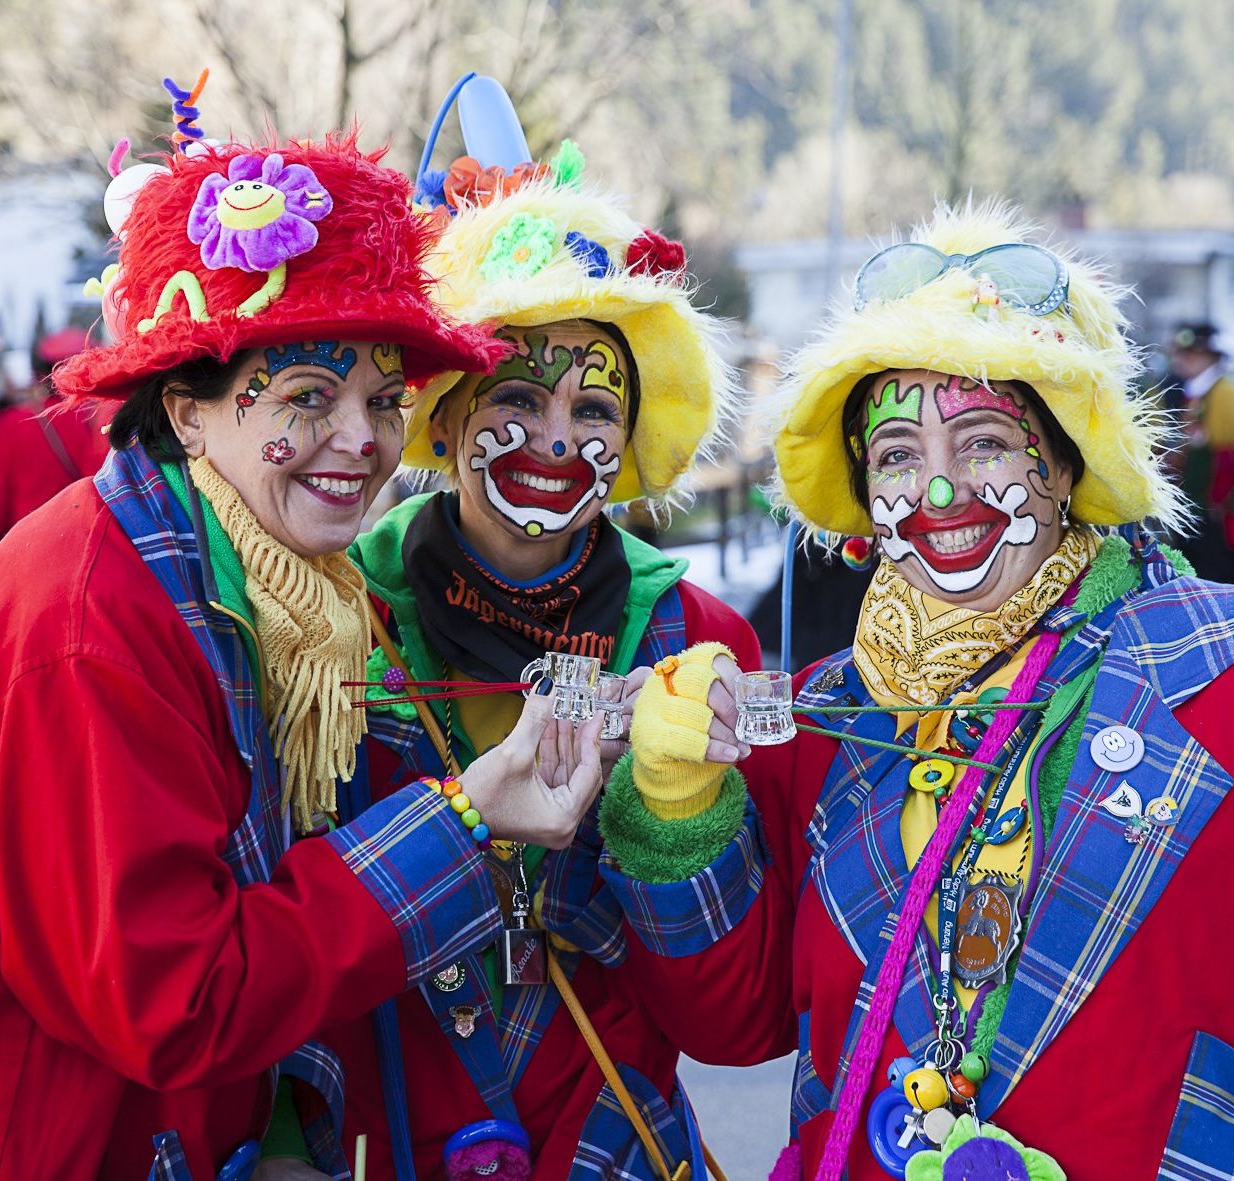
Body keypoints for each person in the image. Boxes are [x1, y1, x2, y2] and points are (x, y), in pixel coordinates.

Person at [0, 115, 609, 1180]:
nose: (362, 437)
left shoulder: (268, 585)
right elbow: (177, 998)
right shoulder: (91, 631)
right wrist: (460, 820)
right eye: (307, 396)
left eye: (385, 398)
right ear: (186, 410)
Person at [593, 205, 1234, 1180]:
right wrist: (678, 805)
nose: (938, 491)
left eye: (983, 441)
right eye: (897, 455)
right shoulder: (828, 714)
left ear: (1066, 460)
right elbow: (730, 1022)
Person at [287, 99, 757, 1180]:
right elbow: (268, 937)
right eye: (516, 395)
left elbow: (736, 1020)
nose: (555, 438)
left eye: (595, 408)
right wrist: (277, 1136)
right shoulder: (329, 617)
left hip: (604, 1147)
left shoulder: (694, 639)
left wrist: (675, 809)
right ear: (441, 417)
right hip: (374, 1138)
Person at [0, 325, 114, 541]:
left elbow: (0, 486)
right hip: (76, 533)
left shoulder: (14, 420)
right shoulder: (95, 418)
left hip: (23, 535)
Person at [1161, 322, 1234, 585]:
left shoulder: (1224, 391)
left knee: (1216, 572)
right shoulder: (1191, 390)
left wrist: (1218, 502)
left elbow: (1231, 454)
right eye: (1180, 354)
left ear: (1210, 357)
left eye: (1192, 355)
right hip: (1194, 500)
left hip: (1215, 506)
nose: (1182, 360)